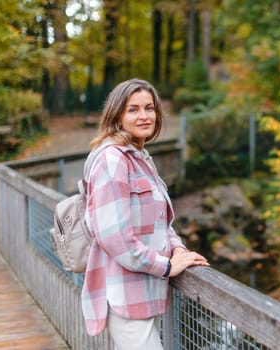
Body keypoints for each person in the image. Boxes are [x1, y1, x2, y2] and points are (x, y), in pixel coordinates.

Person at [81, 78, 209, 349]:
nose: (144, 116)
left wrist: (177, 249)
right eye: (133, 109)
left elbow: (160, 221)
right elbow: (114, 236)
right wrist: (166, 266)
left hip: (147, 290)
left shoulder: (140, 157)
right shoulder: (112, 159)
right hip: (124, 293)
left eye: (149, 108)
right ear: (117, 116)